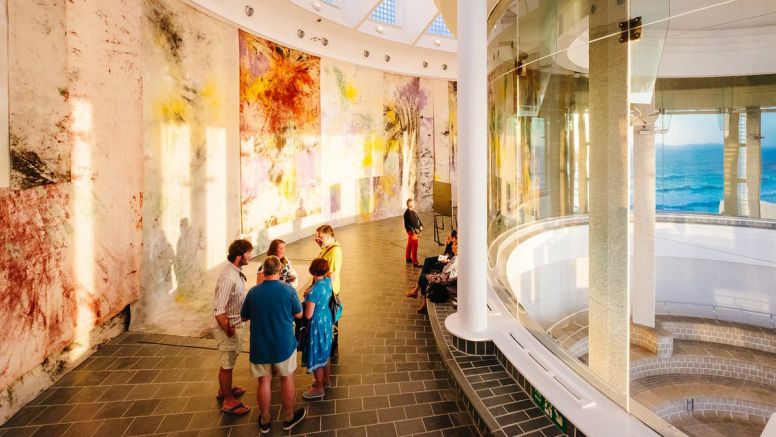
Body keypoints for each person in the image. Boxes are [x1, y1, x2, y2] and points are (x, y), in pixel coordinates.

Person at [241, 256, 306, 433]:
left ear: (263, 270)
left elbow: (244, 316)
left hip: (260, 345)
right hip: (283, 344)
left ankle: (265, 419)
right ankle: (288, 417)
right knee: (287, 378)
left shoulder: (253, 292)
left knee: (264, 382)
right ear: (279, 270)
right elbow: (299, 314)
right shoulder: (288, 291)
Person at [213, 239, 253, 416]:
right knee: (227, 364)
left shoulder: (233, 270)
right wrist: (228, 329)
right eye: (248, 253)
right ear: (239, 256)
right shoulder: (229, 277)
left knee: (230, 360)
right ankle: (228, 401)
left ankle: (225, 390)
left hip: (235, 324)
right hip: (228, 326)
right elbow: (219, 309)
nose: (250, 256)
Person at [301, 258, 334, 400]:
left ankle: (319, 388)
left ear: (313, 270)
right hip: (327, 319)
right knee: (325, 351)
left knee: (316, 353)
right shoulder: (328, 282)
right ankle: (326, 380)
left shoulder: (314, 291)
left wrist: (306, 296)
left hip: (317, 324)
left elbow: (308, 315)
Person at [312, 224, 343, 355]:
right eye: (317, 236)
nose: (318, 239)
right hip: (324, 289)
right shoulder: (328, 247)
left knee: (331, 318)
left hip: (328, 291)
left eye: (321, 236)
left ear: (329, 236)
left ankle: (331, 346)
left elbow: (332, 274)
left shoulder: (335, 251)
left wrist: (318, 289)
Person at [405, 230, 457, 298]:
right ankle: (418, 285)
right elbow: (447, 253)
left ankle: (418, 286)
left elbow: (452, 258)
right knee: (427, 261)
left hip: (447, 261)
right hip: (445, 259)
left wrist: (447, 259)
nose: (448, 236)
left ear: (454, 237)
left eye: (450, 235)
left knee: (429, 265)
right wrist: (447, 243)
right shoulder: (452, 243)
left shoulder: (456, 244)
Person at [403, 198, 423, 267]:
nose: (414, 204)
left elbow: (417, 219)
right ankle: (415, 262)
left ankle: (408, 258)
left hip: (412, 230)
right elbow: (413, 222)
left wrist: (421, 225)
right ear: (409, 204)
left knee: (410, 244)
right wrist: (419, 228)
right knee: (415, 245)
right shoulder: (408, 213)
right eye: (412, 203)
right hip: (412, 231)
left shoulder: (412, 211)